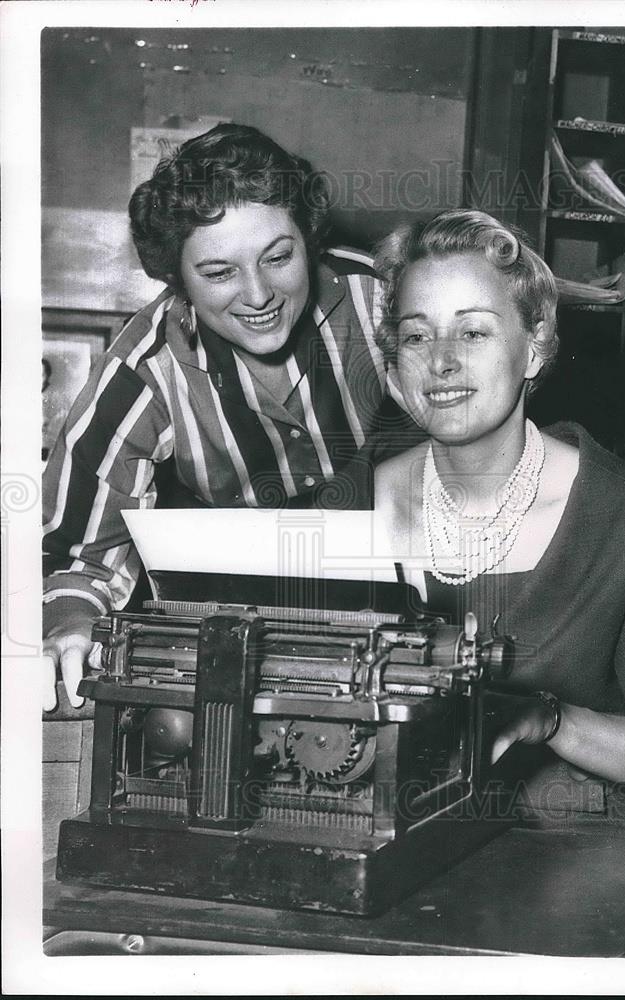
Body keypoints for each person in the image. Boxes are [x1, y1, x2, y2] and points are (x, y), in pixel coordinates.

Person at [42, 123, 420, 711]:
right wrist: (70, 624)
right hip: (229, 607)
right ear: (178, 278)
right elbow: (83, 559)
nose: (259, 293)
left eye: (279, 257)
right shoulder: (141, 373)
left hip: (402, 576)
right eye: (219, 273)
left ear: (309, 240)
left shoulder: (384, 302)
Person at [373, 209, 625, 837]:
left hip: (571, 853)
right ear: (393, 367)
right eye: (415, 336)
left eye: (474, 333)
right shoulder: (345, 507)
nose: (442, 362)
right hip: (384, 832)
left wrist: (552, 719)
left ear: (534, 347)